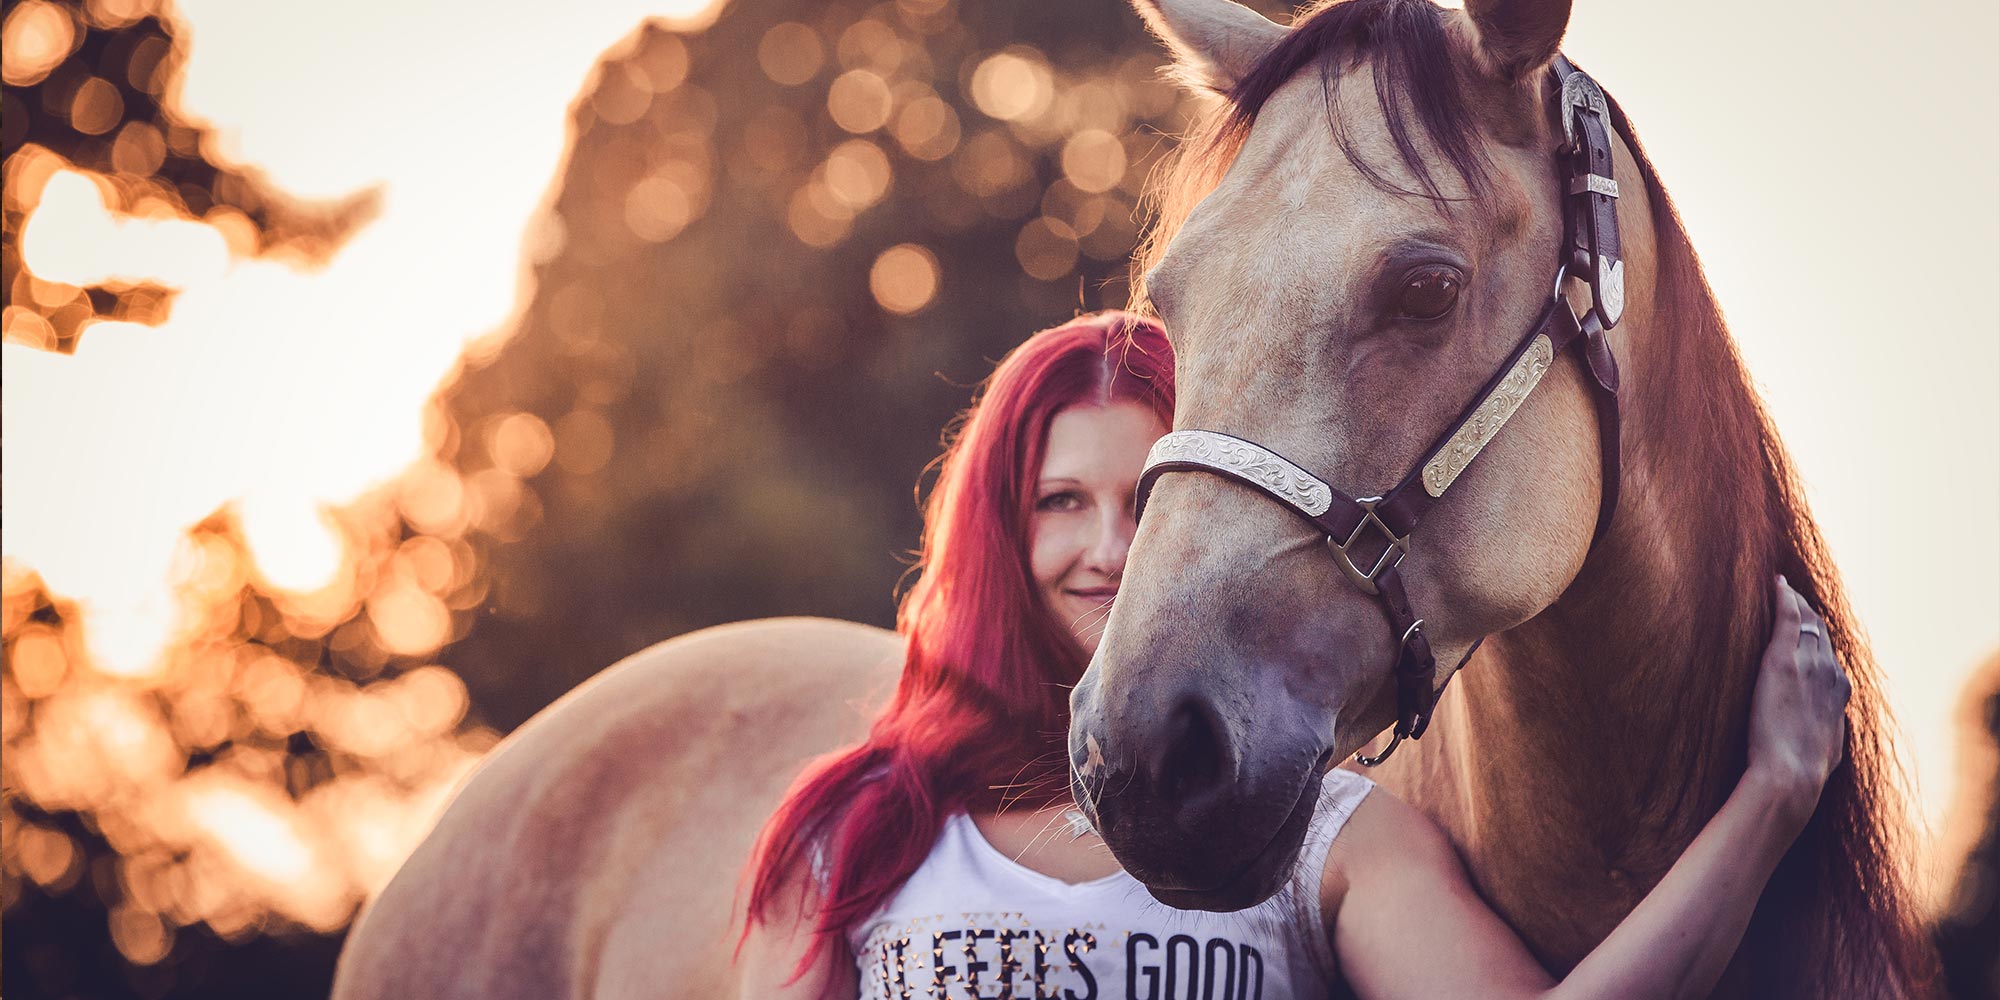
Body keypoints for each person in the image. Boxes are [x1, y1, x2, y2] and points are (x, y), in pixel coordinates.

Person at [737, 310, 1850, 999]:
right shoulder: (859, 833)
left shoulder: (1323, 833)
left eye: (1145, 502)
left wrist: (1769, 798)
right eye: (1058, 502)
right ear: (997, 531)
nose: (1108, 549)